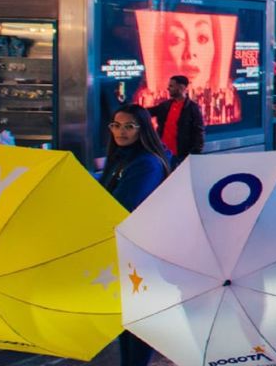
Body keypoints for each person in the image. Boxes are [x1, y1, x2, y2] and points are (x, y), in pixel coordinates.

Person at [99, 104, 170, 366]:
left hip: (143, 252)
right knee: (127, 320)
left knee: (138, 321)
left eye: (129, 126)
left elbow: (122, 205)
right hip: (125, 249)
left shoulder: (147, 163)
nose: (121, 131)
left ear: (142, 130)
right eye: (116, 125)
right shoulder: (119, 158)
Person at [148, 75, 205, 168]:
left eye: (171, 86)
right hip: (163, 152)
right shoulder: (165, 106)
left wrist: (195, 154)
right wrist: (124, 103)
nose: (168, 88)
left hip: (181, 155)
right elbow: (145, 113)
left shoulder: (192, 108)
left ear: (181, 87)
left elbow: (198, 132)